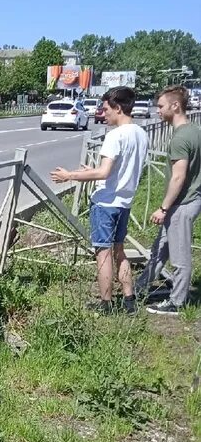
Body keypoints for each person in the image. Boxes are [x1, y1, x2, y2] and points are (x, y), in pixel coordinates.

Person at [52, 86, 148, 314]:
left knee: (103, 254)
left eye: (106, 109)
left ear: (118, 108)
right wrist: (92, 171)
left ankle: (106, 304)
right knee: (119, 251)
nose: (102, 113)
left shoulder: (115, 135)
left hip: (106, 204)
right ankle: (129, 300)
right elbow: (119, 170)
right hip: (124, 202)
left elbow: (104, 173)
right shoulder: (140, 134)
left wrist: (70, 176)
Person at [140, 86, 201, 315]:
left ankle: (176, 303)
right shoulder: (195, 131)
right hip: (189, 200)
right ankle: (140, 288)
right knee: (160, 249)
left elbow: (178, 176)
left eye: (161, 106)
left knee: (179, 255)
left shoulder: (180, 138)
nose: (158, 111)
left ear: (175, 106)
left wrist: (163, 208)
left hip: (181, 205)